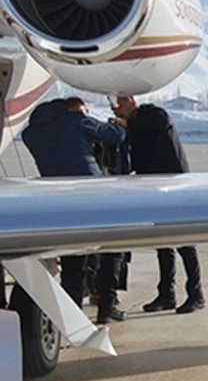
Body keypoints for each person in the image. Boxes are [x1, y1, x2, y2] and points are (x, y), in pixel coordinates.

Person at [22, 97, 128, 324]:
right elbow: (115, 136)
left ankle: (72, 315)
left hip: (59, 198)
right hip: (90, 193)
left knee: (72, 258)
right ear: (72, 108)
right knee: (111, 249)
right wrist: (119, 125)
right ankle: (106, 308)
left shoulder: (30, 133)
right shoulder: (75, 120)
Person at [111, 95, 205, 315]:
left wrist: (127, 124)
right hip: (154, 184)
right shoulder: (136, 126)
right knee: (163, 242)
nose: (117, 109)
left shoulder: (153, 114)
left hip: (173, 183)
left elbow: (157, 123)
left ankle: (196, 294)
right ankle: (166, 294)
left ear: (132, 102)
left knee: (184, 242)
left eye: (121, 104)